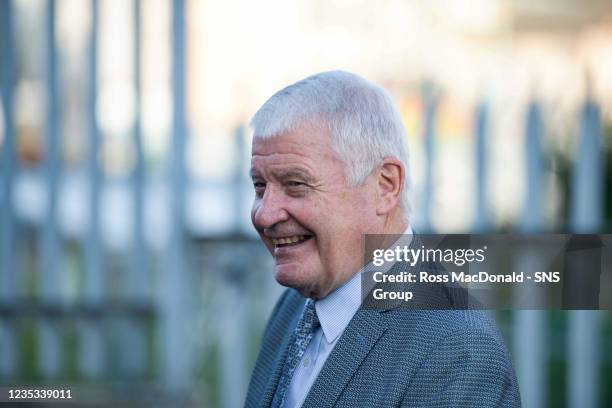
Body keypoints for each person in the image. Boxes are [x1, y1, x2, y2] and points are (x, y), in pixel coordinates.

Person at [244, 71, 521, 407]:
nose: (265, 214)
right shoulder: (295, 304)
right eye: (260, 186)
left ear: (385, 185)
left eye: (296, 184)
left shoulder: (456, 347)